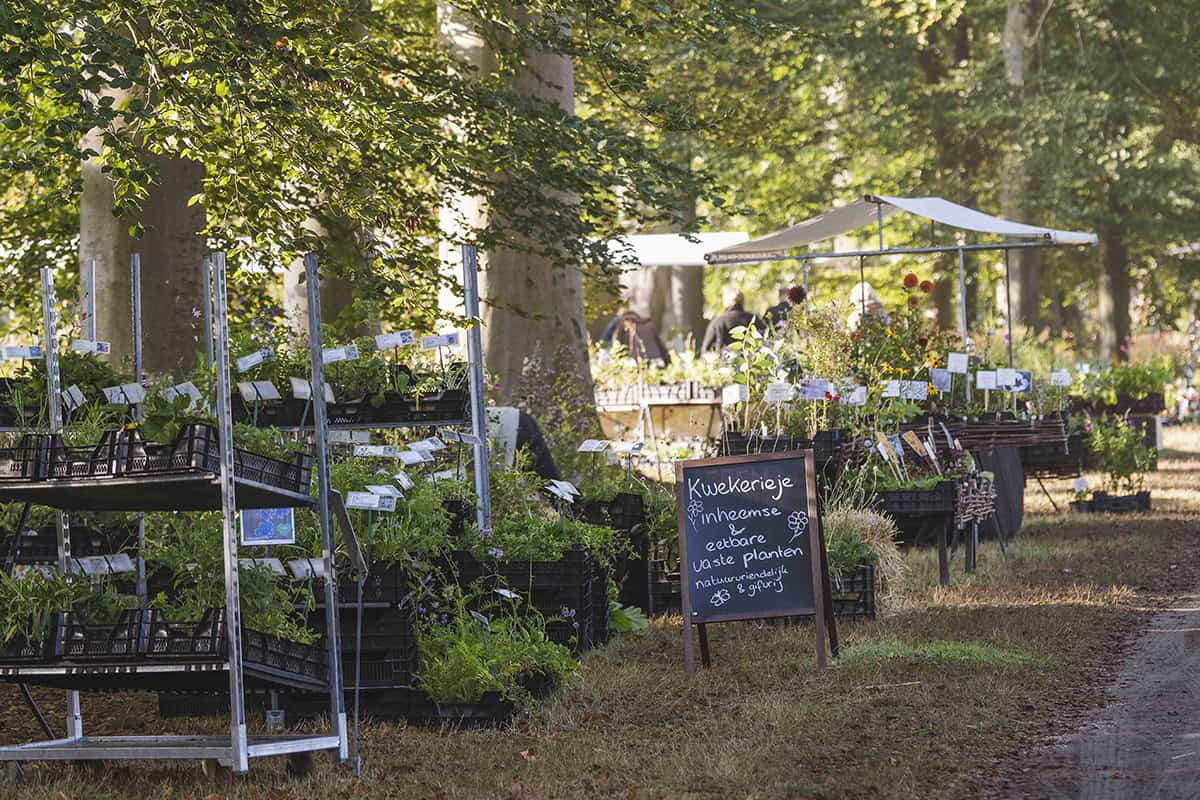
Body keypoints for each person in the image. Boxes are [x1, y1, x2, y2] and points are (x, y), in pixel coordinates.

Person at [600, 308, 670, 367]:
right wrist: (668, 363)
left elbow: (617, 348)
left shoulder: (623, 325)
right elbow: (661, 346)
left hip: (636, 363)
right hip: (657, 361)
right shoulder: (649, 324)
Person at [700, 287, 761, 352]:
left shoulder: (718, 322)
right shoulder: (753, 319)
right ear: (742, 301)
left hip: (724, 360)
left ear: (725, 301)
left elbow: (705, 350)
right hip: (751, 360)